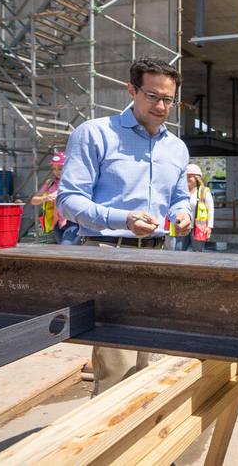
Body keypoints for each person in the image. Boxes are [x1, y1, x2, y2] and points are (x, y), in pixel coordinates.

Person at [57, 57, 192, 396]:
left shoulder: (176, 148)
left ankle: (139, 439)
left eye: (169, 99)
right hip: (108, 254)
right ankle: (103, 443)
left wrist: (183, 214)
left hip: (160, 255)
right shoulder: (94, 134)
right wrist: (123, 220)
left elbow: (178, 198)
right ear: (131, 90)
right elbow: (68, 200)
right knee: (116, 366)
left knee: (151, 357)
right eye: (152, 96)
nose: (161, 106)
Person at [30, 152, 81, 245]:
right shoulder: (50, 183)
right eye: (54, 168)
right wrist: (45, 198)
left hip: (73, 223)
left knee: (65, 250)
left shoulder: (75, 183)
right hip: (58, 224)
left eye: (60, 168)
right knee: (64, 253)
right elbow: (34, 200)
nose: (56, 172)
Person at [172, 163, 213, 252]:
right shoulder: (181, 192)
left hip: (198, 227)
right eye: (185, 176)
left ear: (196, 178)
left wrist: (209, 227)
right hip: (183, 226)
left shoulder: (204, 192)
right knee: (178, 250)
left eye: (190, 176)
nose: (187, 179)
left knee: (197, 252)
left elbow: (211, 210)